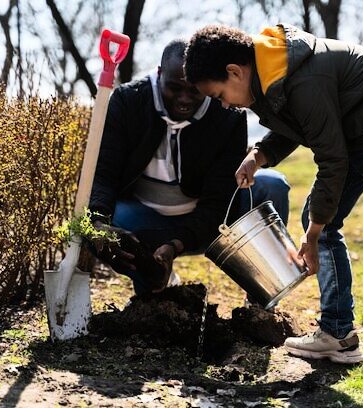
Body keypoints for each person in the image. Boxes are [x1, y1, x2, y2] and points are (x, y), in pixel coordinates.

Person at [184, 24, 363, 395]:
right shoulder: (271, 76)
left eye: (219, 94)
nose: (224, 104)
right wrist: (259, 155)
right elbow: (297, 125)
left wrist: (314, 234)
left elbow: (331, 157)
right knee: (317, 220)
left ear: (234, 72)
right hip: (355, 128)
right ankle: (338, 333)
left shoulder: (302, 76)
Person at [85, 39, 290, 297]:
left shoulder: (226, 113)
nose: (183, 99)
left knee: (272, 185)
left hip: (211, 222)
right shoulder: (128, 101)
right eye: (173, 88)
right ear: (159, 74)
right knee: (97, 223)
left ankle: (263, 297)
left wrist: (176, 244)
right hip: (145, 219)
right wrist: (100, 222)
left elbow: (218, 202)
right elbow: (104, 173)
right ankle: (154, 283)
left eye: (193, 90)